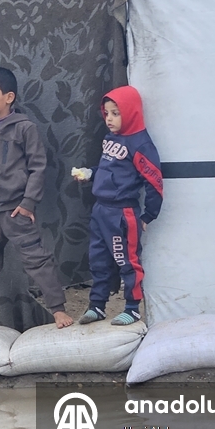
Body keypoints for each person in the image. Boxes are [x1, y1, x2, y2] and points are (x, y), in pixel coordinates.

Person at [0, 67, 73, 330]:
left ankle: (57, 309)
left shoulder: (25, 128)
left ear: (9, 97)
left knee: (37, 259)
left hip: (15, 211)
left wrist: (27, 203)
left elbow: (38, 167)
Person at [73, 85, 163, 325]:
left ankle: (132, 308)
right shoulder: (111, 139)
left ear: (131, 112)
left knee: (127, 261)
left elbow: (154, 180)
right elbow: (107, 170)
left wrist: (148, 215)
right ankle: (98, 305)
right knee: (98, 259)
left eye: (116, 113)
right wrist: (89, 173)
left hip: (122, 213)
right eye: (107, 113)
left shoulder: (140, 144)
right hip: (100, 210)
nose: (110, 119)